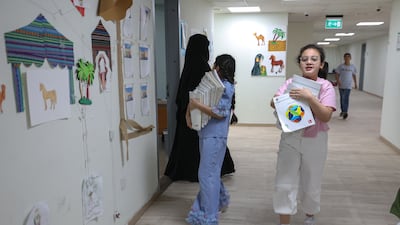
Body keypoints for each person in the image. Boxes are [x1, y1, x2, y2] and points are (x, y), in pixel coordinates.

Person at [270, 44, 336, 225]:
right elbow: (273, 102)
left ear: (321, 64)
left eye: (314, 59)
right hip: (290, 138)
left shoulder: (326, 86)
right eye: (304, 59)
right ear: (299, 62)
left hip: (315, 140)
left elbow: (326, 115)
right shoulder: (290, 83)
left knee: (311, 181)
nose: (309, 62)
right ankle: (284, 221)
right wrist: (283, 100)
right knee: (284, 182)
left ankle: (309, 216)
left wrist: (309, 98)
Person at [164, 34, 235, 182]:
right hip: (203, 117)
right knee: (205, 157)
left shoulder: (189, 66)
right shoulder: (202, 68)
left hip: (190, 115)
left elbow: (184, 95)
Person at [185, 54, 236, 225]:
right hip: (206, 134)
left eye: (215, 65)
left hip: (215, 136)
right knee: (210, 174)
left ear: (218, 68)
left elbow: (220, 114)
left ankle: (209, 216)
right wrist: (189, 112)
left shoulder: (227, 87)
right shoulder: (212, 85)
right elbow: (196, 97)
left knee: (207, 175)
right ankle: (218, 201)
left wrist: (196, 105)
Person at [335, 53, 357, 119]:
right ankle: (342, 111)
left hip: (348, 86)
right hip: (341, 85)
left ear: (350, 58)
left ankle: (345, 112)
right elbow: (337, 74)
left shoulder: (352, 67)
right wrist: (338, 81)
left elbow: (354, 75)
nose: (347, 58)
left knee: (346, 98)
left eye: (348, 57)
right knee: (342, 98)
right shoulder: (341, 66)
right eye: (346, 57)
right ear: (344, 58)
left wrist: (355, 83)